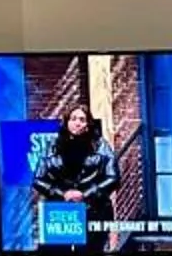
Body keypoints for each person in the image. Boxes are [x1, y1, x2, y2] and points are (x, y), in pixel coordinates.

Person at [30, 103, 121, 248]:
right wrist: (62, 193)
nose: (77, 123)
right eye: (73, 119)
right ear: (66, 122)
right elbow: (38, 179)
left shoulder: (101, 145)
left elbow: (113, 178)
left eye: (82, 119)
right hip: (60, 212)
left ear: (88, 124)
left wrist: (85, 194)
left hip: (93, 210)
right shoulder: (52, 146)